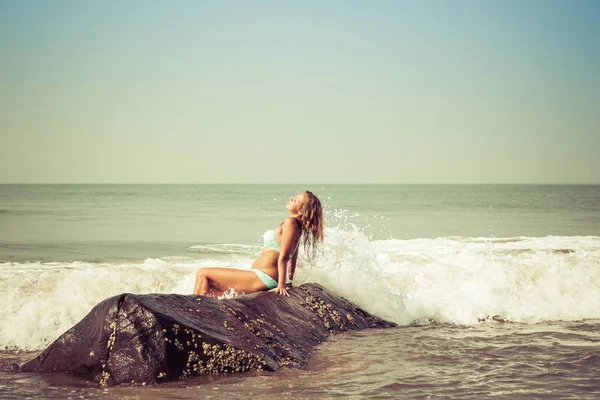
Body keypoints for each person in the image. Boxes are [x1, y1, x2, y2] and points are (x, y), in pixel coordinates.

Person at [193, 191, 323, 297]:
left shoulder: (290, 223)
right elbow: (293, 255)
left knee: (202, 273)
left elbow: (284, 258)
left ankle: (194, 315)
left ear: (301, 211)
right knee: (212, 291)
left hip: (263, 277)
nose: (291, 198)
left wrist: (281, 286)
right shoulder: (296, 226)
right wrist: (290, 278)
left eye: (295, 200)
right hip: (263, 276)